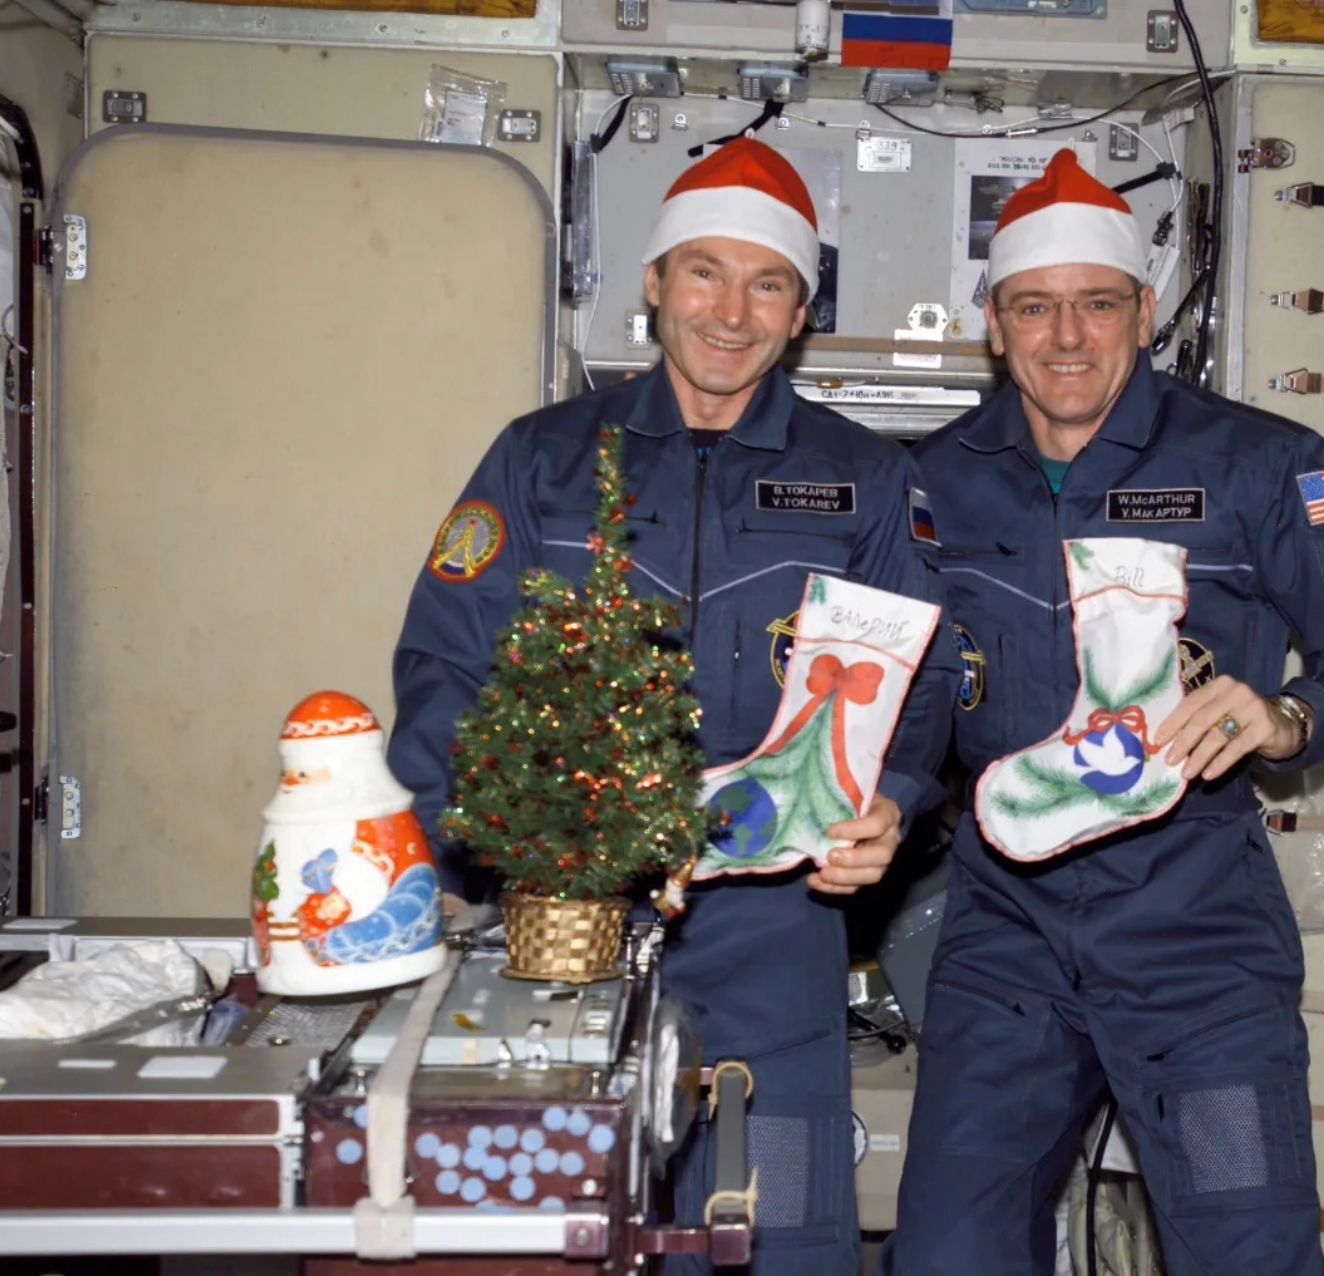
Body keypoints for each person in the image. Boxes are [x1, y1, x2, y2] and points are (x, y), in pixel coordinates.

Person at [389, 137, 957, 1275]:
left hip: (772, 928)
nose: (731, 312)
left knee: (780, 1229)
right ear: (651, 282)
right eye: (704, 271)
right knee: (548, 1230)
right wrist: (495, 848)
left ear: (801, 309)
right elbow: (442, 669)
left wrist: (888, 803)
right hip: (557, 926)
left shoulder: (868, 479)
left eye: (768, 283)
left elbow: (925, 680)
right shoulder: (539, 461)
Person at [884, 149, 1324, 1275]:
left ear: (1145, 314)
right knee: (947, 1249)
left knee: (1247, 1250)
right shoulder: (934, 481)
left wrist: (1289, 716)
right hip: (1006, 929)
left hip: (1197, 931)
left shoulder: (1261, 463)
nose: (1068, 336)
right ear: (994, 323)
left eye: (1098, 304)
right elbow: (908, 689)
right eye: (1035, 307)